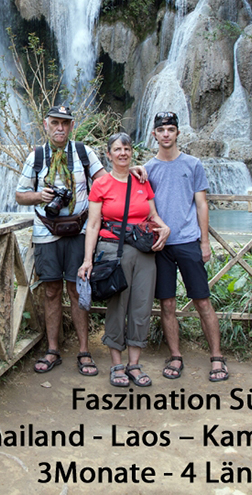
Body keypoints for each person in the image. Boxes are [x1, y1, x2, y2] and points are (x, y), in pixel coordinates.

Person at [15, 105, 104, 377]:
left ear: (71, 125)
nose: (60, 128)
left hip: (78, 231)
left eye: (64, 123)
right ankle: (53, 349)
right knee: (51, 291)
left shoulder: (83, 153)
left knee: (77, 291)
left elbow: (104, 181)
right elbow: (20, 195)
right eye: (55, 122)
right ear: (46, 124)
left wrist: (130, 171)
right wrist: (40, 196)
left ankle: (84, 351)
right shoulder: (37, 157)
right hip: (46, 232)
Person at [78, 133, 170, 387]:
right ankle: (116, 364)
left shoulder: (141, 181)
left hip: (144, 252)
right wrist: (88, 260)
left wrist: (165, 228)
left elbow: (152, 215)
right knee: (117, 306)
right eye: (117, 149)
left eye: (127, 149)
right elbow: (94, 224)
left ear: (132, 153)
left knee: (141, 306)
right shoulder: (101, 185)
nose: (122, 153)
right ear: (108, 154)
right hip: (112, 252)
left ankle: (134, 364)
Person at [146, 111, 228, 382]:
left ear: (178, 133)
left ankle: (216, 357)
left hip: (189, 241)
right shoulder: (148, 169)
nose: (166, 134)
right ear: (155, 134)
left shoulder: (193, 164)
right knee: (167, 303)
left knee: (202, 301)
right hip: (161, 246)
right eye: (162, 130)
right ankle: (175, 355)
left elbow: (202, 204)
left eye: (171, 129)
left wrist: (205, 242)